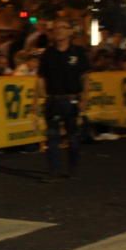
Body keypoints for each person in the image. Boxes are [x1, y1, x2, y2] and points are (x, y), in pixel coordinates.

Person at [35, 19, 90, 181]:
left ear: (69, 32)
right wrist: (38, 100)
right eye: (56, 28)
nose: (58, 31)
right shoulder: (48, 54)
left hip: (71, 100)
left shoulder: (78, 53)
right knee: (52, 137)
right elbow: (40, 78)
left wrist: (84, 99)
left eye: (62, 27)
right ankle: (54, 171)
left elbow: (86, 78)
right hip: (53, 100)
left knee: (73, 137)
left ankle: (72, 168)